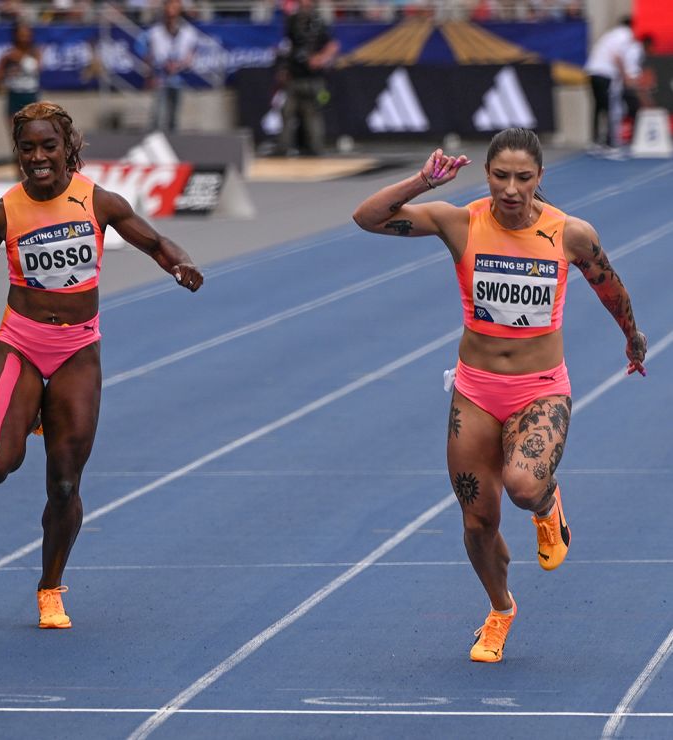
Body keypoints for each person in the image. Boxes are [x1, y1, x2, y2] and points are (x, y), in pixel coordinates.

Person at [352, 128, 647, 663]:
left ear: (540, 178)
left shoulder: (569, 234)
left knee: (522, 483)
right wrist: (423, 180)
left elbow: (610, 284)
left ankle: (547, 502)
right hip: (476, 392)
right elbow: (366, 218)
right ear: (486, 174)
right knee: (477, 523)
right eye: (500, 176)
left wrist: (632, 336)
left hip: (540, 389)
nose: (511, 189)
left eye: (523, 178)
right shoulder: (460, 222)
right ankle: (500, 610)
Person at [0, 101, 203, 629]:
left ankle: (49, 587)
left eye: (48, 146)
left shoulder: (97, 201)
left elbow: (152, 239)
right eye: (27, 148)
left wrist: (180, 262)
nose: (38, 157)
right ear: (17, 153)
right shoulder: (3, 212)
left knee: (63, 485)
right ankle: (29, 409)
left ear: (68, 149)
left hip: (77, 352)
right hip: (20, 343)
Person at [275, 0, 339, 156]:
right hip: (294, 77)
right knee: (286, 111)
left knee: (312, 114)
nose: (305, 4)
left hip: (313, 80)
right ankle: (283, 148)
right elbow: (287, 47)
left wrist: (320, 58)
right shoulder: (292, 21)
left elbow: (333, 45)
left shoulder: (319, 22)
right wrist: (284, 69)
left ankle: (316, 148)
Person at [143, 0, 198, 132]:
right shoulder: (155, 32)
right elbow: (149, 54)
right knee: (157, 114)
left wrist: (179, 64)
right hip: (160, 76)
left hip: (178, 77)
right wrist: (151, 73)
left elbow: (191, 55)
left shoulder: (187, 32)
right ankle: (153, 141)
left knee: (174, 116)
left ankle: (172, 143)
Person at [584, 16, 637, 151]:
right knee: (609, 107)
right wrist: (625, 75)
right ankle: (609, 140)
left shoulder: (610, 35)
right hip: (604, 73)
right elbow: (617, 56)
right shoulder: (626, 34)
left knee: (598, 106)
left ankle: (596, 139)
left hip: (593, 71)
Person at [0, 22, 42, 133]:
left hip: (30, 96)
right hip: (14, 96)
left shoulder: (35, 52)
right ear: (15, 36)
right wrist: (2, 75)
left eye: (27, 35)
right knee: (15, 134)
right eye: (21, 35)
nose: (24, 38)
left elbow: (36, 68)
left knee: (31, 133)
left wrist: (19, 58)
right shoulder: (7, 56)